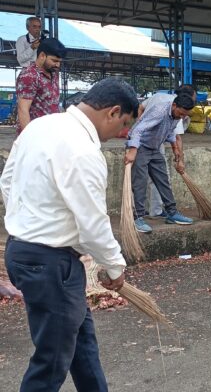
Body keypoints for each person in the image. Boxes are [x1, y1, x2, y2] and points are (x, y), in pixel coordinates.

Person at [1, 77, 138, 391]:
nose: (122, 133)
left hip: (24, 252)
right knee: (51, 361)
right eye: (124, 123)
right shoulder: (84, 151)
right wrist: (115, 267)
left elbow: (7, 182)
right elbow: (93, 223)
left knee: (81, 344)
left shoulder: (39, 126)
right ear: (113, 112)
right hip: (51, 264)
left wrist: (28, 220)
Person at [125, 93, 195, 233]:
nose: (182, 117)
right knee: (140, 182)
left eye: (184, 115)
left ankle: (172, 213)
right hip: (141, 146)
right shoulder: (159, 111)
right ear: (174, 105)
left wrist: (175, 148)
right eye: (181, 114)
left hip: (155, 147)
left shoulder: (176, 115)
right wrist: (133, 150)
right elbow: (138, 129)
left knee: (163, 180)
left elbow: (170, 131)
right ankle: (138, 217)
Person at [139, 85, 197, 218]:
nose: (182, 117)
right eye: (194, 98)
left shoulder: (159, 96)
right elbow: (177, 137)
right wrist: (180, 160)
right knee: (152, 179)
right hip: (147, 143)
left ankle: (151, 211)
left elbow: (141, 107)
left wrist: (140, 124)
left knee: (151, 179)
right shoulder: (177, 109)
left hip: (151, 142)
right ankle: (150, 213)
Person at [15, 37, 66, 135]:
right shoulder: (29, 76)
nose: (58, 65)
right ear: (42, 55)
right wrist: (28, 137)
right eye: (54, 61)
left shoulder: (54, 74)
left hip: (50, 132)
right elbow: (23, 110)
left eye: (59, 61)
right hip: (35, 134)